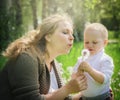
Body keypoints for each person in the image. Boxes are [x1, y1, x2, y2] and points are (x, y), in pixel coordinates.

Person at [0, 14, 87, 100]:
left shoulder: (53, 63)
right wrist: (67, 89)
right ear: (48, 37)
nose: (72, 37)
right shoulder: (26, 58)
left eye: (72, 33)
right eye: (65, 32)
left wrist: (82, 95)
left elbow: (59, 97)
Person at [72, 23, 114, 100]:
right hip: (84, 97)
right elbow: (73, 77)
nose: (90, 45)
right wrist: (78, 72)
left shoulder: (105, 59)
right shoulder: (81, 59)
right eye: (86, 42)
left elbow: (103, 80)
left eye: (94, 42)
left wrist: (90, 70)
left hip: (102, 98)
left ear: (104, 43)